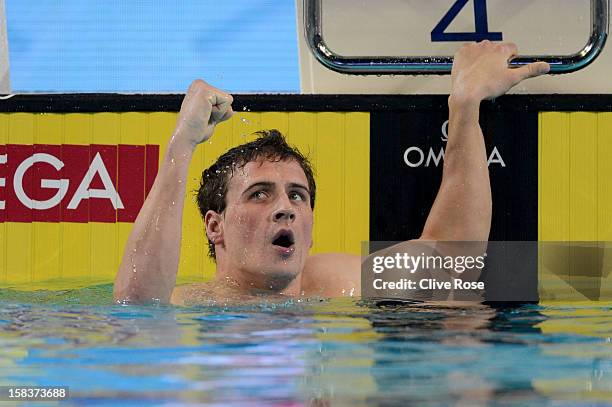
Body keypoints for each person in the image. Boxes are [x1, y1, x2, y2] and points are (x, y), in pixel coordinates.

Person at [113, 41, 550, 305]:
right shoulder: (192, 304)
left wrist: (466, 104)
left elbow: (452, 264)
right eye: (260, 194)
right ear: (215, 225)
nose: (285, 208)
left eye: (297, 196)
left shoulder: (334, 284)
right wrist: (181, 145)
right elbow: (136, 308)